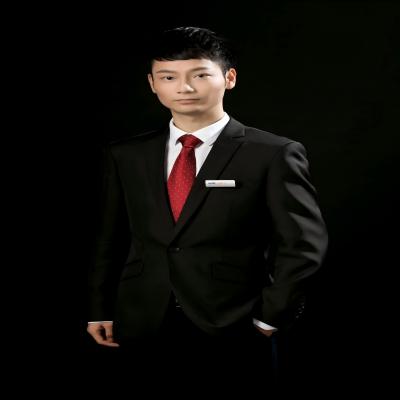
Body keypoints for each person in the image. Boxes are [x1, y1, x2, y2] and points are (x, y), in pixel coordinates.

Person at [86, 26, 328, 389]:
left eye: (199, 75)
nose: (184, 87)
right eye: (168, 77)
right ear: (152, 83)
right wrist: (99, 309)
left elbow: (303, 245)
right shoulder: (127, 155)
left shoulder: (273, 153)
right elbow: (111, 237)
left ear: (229, 78)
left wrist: (270, 317)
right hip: (140, 319)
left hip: (233, 322)